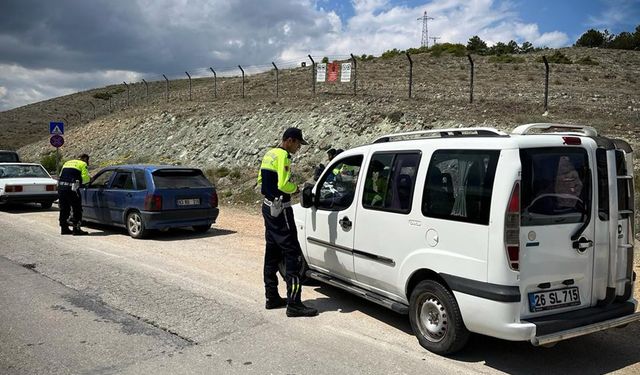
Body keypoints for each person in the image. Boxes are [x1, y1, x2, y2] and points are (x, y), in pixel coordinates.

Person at [257, 127, 318, 317]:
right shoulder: (284, 156)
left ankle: (272, 297)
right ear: (290, 140)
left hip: (268, 208)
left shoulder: (269, 154)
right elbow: (283, 184)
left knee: (272, 251)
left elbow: (261, 180)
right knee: (293, 254)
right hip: (281, 209)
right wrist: (296, 188)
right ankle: (294, 304)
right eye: (299, 143)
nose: (299, 147)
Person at [58, 154, 91, 235]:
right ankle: (76, 229)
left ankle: (64, 228)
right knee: (77, 208)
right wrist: (87, 181)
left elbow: (60, 175)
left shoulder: (67, 163)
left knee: (64, 208)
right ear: (85, 159)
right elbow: (85, 179)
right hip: (72, 189)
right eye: (88, 160)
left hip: (61, 188)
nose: (88, 163)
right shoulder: (83, 164)